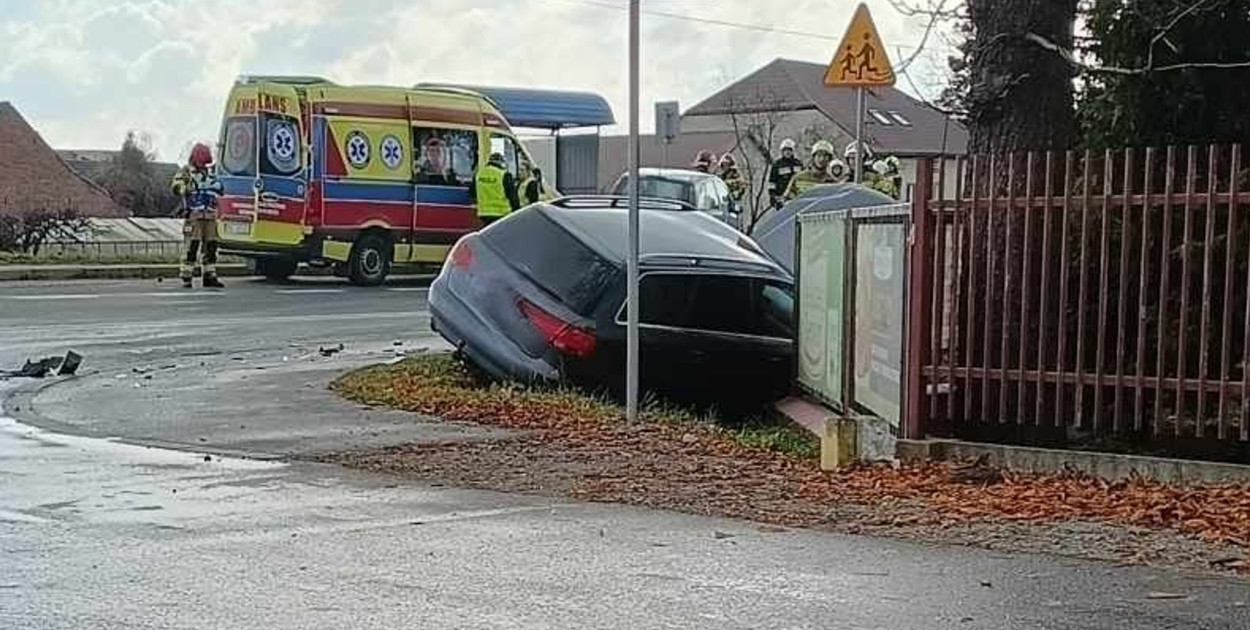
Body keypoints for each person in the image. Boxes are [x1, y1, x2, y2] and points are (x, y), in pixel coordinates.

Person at [171, 142, 224, 289]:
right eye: (202, 162)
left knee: (211, 246)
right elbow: (176, 186)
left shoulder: (211, 173)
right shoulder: (186, 171)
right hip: (194, 214)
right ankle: (187, 276)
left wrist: (216, 186)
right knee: (192, 245)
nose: (204, 165)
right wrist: (187, 187)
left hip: (210, 214)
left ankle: (210, 275)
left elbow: (221, 188)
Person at [473, 152, 520, 225]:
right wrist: (517, 211)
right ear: (501, 163)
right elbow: (512, 196)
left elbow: (472, 192)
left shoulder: (479, 174)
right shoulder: (504, 174)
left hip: (483, 213)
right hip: (501, 213)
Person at [768, 138, 804, 208]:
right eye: (785, 150)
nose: (788, 152)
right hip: (782, 197)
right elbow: (772, 182)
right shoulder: (777, 165)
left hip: (797, 196)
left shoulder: (798, 164)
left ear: (793, 151)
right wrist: (772, 196)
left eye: (790, 150)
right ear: (782, 151)